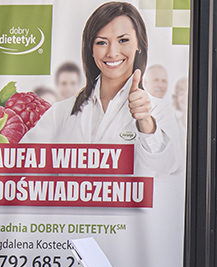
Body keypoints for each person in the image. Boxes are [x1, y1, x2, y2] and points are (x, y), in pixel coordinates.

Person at [22, 2, 182, 177]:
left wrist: (145, 121)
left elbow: (169, 166)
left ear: (139, 44)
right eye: (101, 42)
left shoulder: (159, 110)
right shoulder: (61, 112)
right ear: (91, 49)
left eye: (123, 40)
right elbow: (22, 163)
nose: (112, 53)